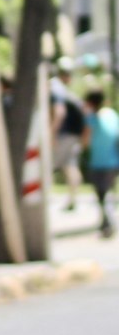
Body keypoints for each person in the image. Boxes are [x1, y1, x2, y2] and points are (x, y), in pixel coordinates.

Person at [53, 67, 88, 211]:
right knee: (68, 166)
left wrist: (52, 132)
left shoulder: (61, 91)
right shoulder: (62, 91)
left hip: (66, 135)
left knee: (57, 165)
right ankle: (73, 198)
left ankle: (72, 198)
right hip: (70, 135)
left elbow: (59, 112)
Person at [88, 88, 119, 238]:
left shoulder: (91, 118)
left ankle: (107, 223)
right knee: (107, 193)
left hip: (97, 162)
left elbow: (85, 141)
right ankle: (106, 222)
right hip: (112, 160)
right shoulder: (112, 115)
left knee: (101, 195)